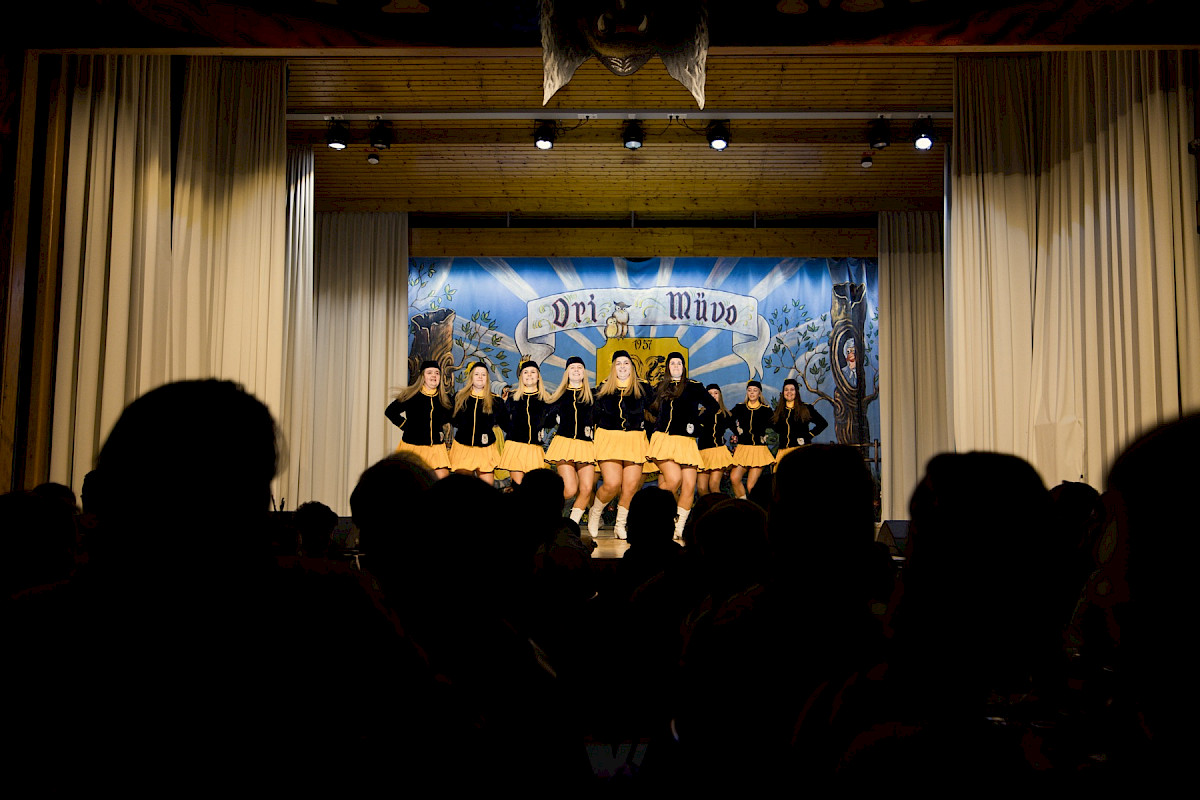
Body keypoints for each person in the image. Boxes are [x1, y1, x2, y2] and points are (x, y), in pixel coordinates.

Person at [646, 351, 718, 538]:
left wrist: (697, 422)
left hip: (686, 441)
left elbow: (713, 406)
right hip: (664, 440)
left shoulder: (694, 386)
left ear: (684, 366)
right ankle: (649, 515)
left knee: (689, 485)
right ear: (668, 367)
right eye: (672, 363)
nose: (676, 366)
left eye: (679, 363)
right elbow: (648, 408)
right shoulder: (660, 387)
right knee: (673, 479)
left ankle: (678, 528)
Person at [587, 350, 652, 540]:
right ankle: (595, 514)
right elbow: (591, 416)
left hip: (634, 439)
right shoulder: (602, 389)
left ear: (632, 367)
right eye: (618, 363)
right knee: (612, 483)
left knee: (630, 486)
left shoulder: (643, 389)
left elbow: (659, 409)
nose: (622, 366)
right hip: (609, 439)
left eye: (626, 363)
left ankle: (620, 525)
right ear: (613, 368)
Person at [544, 356, 597, 526]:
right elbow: (546, 421)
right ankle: (548, 516)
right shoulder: (559, 396)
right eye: (572, 368)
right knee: (570, 489)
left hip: (586, 445)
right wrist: (553, 416)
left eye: (579, 367)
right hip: (564, 444)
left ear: (584, 372)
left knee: (586, 488)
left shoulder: (593, 395)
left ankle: (571, 526)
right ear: (567, 372)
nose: (576, 370)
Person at [385, 359, 453, 478]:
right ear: (423, 376)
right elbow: (390, 412)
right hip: (413, 447)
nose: (434, 375)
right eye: (429, 372)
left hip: (436, 448)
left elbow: (452, 416)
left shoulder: (446, 398)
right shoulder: (411, 395)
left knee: (442, 477)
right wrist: (407, 427)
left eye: (437, 373)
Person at [449, 361, 510, 485]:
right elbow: (453, 420)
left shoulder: (496, 401)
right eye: (477, 374)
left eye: (483, 374)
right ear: (471, 377)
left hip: (486, 449)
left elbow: (507, 424)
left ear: (487, 378)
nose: (480, 377)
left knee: (486, 490)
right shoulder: (459, 397)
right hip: (462, 447)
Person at [498, 359, 552, 485]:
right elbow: (503, 419)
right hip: (514, 447)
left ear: (538, 376)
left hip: (535, 448)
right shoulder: (512, 397)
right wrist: (512, 431)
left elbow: (549, 421)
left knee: (533, 487)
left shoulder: (546, 398)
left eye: (533, 372)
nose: (529, 375)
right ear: (521, 376)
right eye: (525, 372)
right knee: (518, 487)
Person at [729, 380, 774, 499]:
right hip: (743, 449)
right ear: (747, 392)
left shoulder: (766, 409)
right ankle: (743, 503)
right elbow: (727, 419)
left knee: (751, 486)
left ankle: (757, 508)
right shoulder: (740, 407)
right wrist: (737, 432)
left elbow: (776, 425)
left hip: (759, 450)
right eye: (749, 390)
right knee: (734, 478)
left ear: (759, 393)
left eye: (755, 390)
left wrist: (766, 436)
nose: (752, 393)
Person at [771, 378, 828, 466]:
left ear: (796, 392)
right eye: (786, 390)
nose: (789, 392)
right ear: (783, 393)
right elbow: (776, 427)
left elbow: (822, 423)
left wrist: (808, 436)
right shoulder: (779, 410)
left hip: (800, 451)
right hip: (782, 452)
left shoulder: (806, 408)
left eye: (792, 389)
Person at [695, 383, 735, 497]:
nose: (713, 396)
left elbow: (738, 430)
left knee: (713, 485)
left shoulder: (725, 414)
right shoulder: (700, 414)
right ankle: (708, 508)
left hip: (718, 452)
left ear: (720, 395)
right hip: (702, 453)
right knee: (701, 488)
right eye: (710, 394)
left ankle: (720, 507)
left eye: (716, 393)